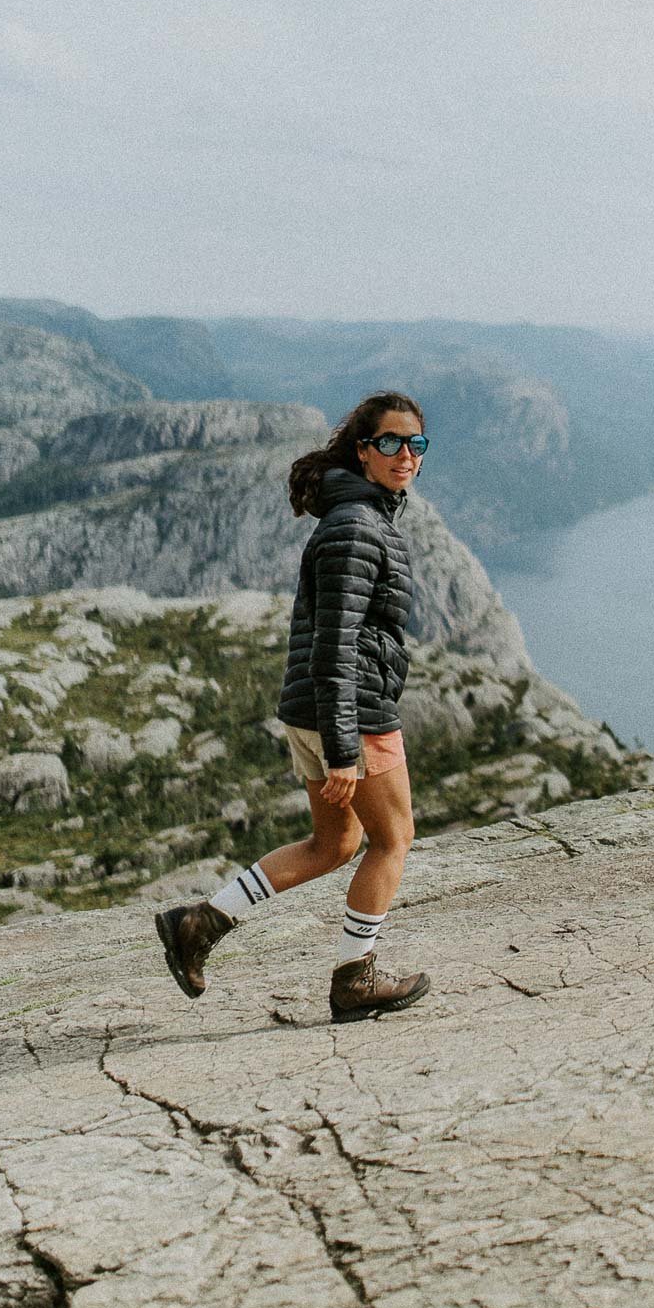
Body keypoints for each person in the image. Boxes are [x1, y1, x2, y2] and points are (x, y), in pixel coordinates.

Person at [155, 392, 431, 1022]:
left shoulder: (355, 517)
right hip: (350, 711)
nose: (405, 456)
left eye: (416, 444)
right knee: (393, 839)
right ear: (363, 450)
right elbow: (335, 645)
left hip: (311, 709)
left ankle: (199, 923)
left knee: (333, 844)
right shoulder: (359, 527)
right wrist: (344, 750)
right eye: (390, 442)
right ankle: (353, 980)